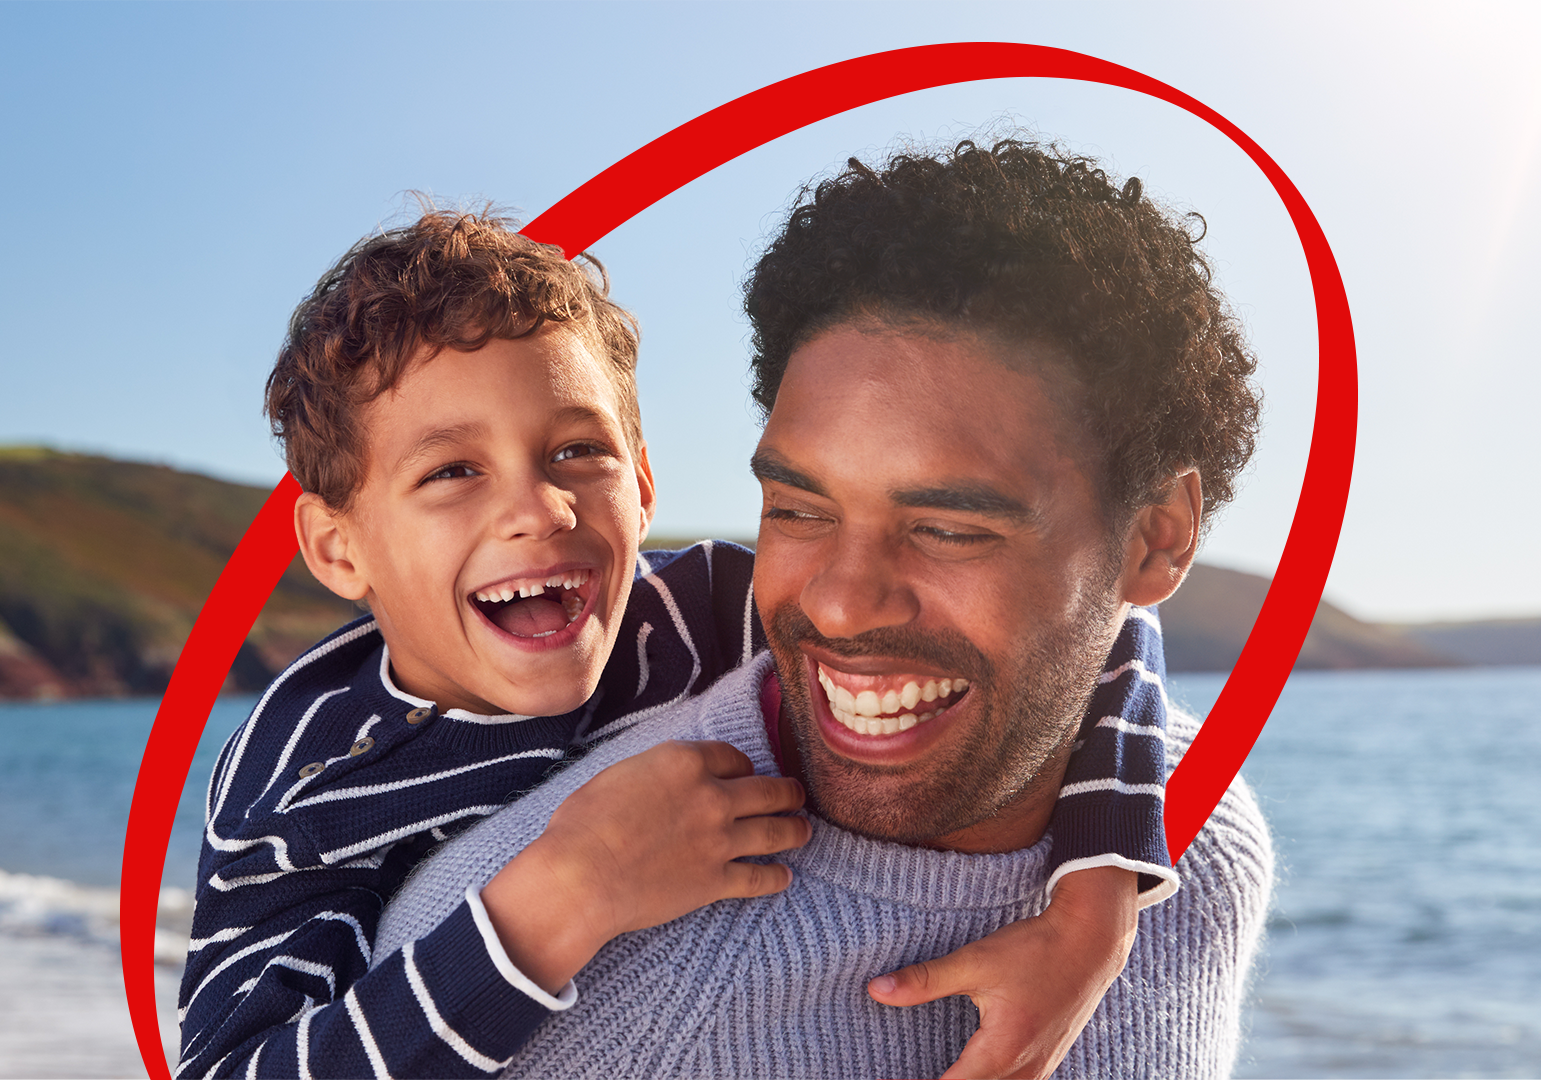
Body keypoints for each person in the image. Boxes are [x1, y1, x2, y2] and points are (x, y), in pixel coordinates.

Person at [178, 206, 1180, 1080]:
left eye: (579, 451)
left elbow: (1092, 632)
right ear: (337, 547)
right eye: (451, 473)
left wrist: (1097, 899)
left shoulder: (702, 608)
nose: (539, 508)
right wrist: (561, 899)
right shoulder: (301, 782)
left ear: (644, 484)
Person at [365, 141, 1274, 1079]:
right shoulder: (534, 947)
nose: (838, 604)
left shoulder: (1204, 848)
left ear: (1156, 542)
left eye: (949, 529)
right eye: (798, 512)